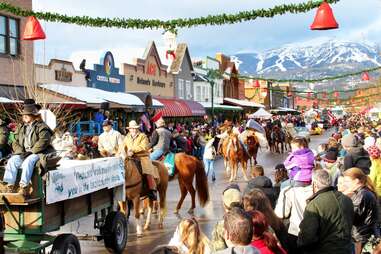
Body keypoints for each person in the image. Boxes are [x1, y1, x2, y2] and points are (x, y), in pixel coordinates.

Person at [0, 100, 55, 196]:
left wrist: (31, 152)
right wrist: (20, 151)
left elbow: (44, 141)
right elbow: (14, 141)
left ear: (34, 115)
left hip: (38, 153)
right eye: (23, 114)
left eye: (27, 114)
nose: (24, 116)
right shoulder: (21, 127)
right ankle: (9, 186)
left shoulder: (42, 127)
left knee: (28, 162)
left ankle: (23, 187)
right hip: (23, 152)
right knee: (12, 161)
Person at [298, 170, 354, 254]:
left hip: (325, 250)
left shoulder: (314, 205)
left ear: (314, 184)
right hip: (347, 249)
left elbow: (307, 237)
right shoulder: (346, 199)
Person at [342, 167, 379, 253]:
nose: (344, 184)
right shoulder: (362, 192)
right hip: (364, 236)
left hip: (363, 238)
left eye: (347, 181)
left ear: (356, 181)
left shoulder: (362, 195)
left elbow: (351, 216)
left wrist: (343, 198)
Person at [123, 120, 159, 201]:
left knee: (147, 171)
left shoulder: (143, 136)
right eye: (132, 128)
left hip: (142, 157)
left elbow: (144, 147)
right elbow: (123, 147)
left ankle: (152, 189)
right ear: (129, 129)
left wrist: (132, 150)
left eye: (135, 128)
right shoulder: (126, 137)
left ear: (137, 128)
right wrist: (121, 153)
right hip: (130, 157)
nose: (133, 130)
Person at [275, 179, 313, 254]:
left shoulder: (289, 189)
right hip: (313, 232)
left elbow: (281, 214)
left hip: (295, 231)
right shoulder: (316, 189)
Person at [212, 184, 242, 251]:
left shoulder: (220, 226)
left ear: (224, 205)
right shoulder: (254, 219)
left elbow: (218, 250)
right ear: (241, 202)